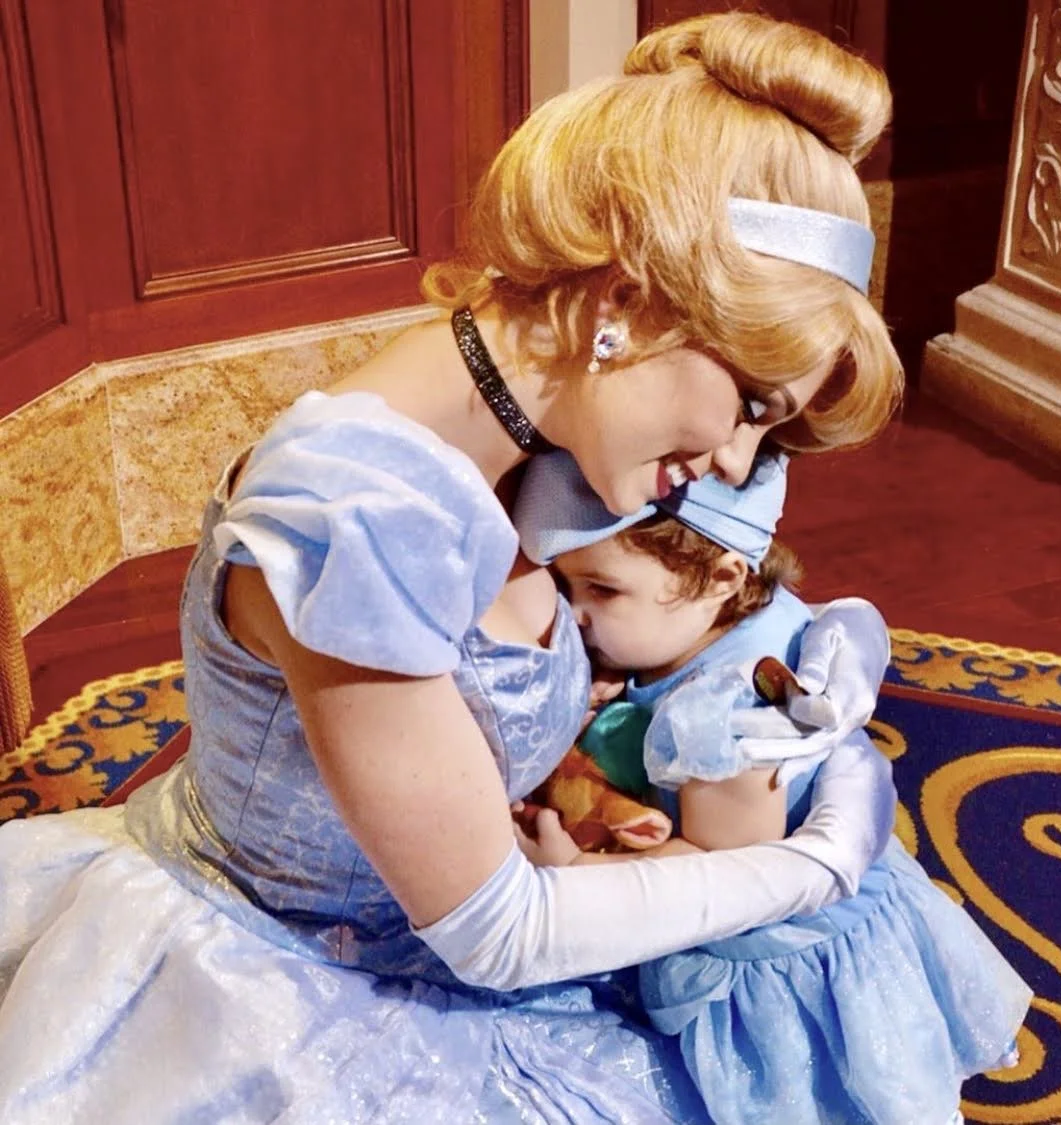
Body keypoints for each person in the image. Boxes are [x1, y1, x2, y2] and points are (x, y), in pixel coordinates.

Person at [0, 12, 909, 1123]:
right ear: (627, 300)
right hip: (287, 991)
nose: (734, 462)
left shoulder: (525, 441)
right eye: (752, 405)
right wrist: (816, 866)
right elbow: (498, 933)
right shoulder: (358, 515)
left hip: (441, 933)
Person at [513, 447, 1033, 1125]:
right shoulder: (747, 617)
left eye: (603, 591)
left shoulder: (724, 719)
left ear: (723, 576)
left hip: (779, 963)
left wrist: (575, 871)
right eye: (566, 587)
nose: (575, 616)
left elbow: (724, 877)